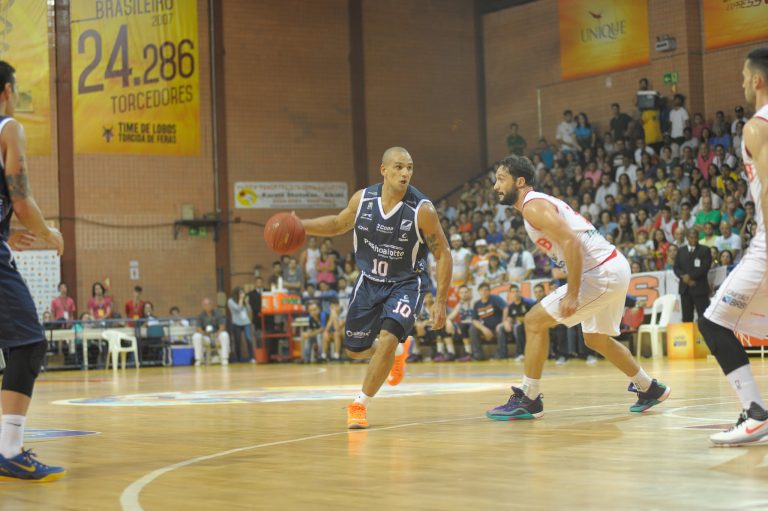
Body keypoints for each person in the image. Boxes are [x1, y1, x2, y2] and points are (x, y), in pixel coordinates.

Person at [486, 155, 669, 421]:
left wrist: (572, 293)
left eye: (501, 179)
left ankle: (530, 397)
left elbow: (571, 242)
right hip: (612, 265)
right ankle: (649, 387)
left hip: (601, 272)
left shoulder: (533, 206)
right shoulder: (537, 205)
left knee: (534, 321)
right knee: (595, 338)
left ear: (520, 181)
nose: (496, 186)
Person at [293, 147, 451, 429]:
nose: (405, 173)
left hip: (406, 283)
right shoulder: (363, 199)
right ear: (384, 170)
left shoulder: (422, 210)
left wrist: (440, 302)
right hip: (368, 281)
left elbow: (443, 254)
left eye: (409, 168)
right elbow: (337, 224)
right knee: (355, 349)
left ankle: (359, 405)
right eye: (399, 167)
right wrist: (300, 226)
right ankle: (396, 353)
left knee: (389, 337)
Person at [698, 48, 768, 446]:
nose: (742, 83)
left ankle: (754, 412)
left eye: (744, 76)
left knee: (713, 322)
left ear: (757, 80)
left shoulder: (758, 126)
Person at [0, 61, 66, 481]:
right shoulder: (9, 128)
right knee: (28, 343)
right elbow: (21, 199)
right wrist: (48, 232)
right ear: (7, 90)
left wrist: (6, 233)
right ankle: (8, 450)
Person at [674, 230, 712, 322]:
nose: (693, 240)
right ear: (687, 238)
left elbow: (705, 267)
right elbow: (676, 267)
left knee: (703, 317)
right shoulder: (681, 251)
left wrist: (690, 277)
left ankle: (704, 332)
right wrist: (683, 277)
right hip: (685, 289)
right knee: (686, 318)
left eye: (695, 237)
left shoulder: (705, 250)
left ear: (698, 238)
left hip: (699, 288)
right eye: (691, 238)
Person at [192, 298, 230, 366]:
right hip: (206, 337)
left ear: (212, 305)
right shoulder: (200, 316)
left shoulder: (218, 314)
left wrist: (217, 334)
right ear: (203, 306)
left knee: (225, 334)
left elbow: (222, 327)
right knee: (196, 336)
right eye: (205, 305)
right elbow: (199, 329)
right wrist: (205, 334)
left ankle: (224, 358)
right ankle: (199, 359)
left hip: (217, 336)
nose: (207, 306)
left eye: (208, 304)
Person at [227, 287, 255, 363]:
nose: (242, 294)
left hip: (246, 322)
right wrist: (241, 299)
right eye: (240, 293)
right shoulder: (230, 301)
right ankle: (238, 358)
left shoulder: (244, 300)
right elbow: (238, 309)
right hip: (236, 323)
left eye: (243, 293)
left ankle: (252, 357)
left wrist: (247, 303)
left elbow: (250, 310)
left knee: (249, 339)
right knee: (237, 340)